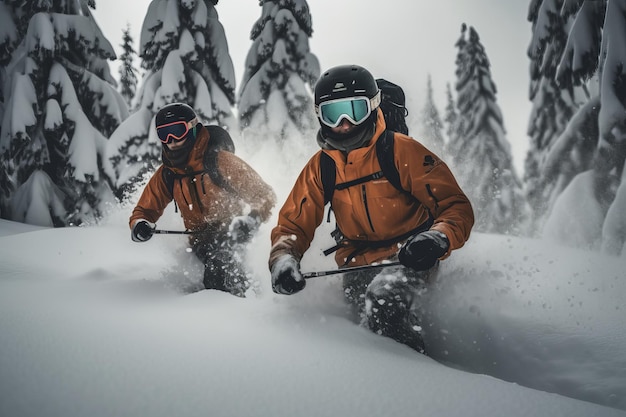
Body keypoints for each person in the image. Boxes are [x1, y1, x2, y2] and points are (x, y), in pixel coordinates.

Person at [268, 65, 474, 352]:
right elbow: (293, 224)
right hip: (356, 262)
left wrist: (437, 237)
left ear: (373, 108)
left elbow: (454, 206)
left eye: (354, 110)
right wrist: (283, 259)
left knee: (384, 303)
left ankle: (418, 381)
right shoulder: (323, 166)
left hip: (411, 254)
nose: (343, 123)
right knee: (363, 331)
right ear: (320, 116)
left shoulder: (400, 150)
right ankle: (372, 380)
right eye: (332, 113)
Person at [130, 102, 276, 296]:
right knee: (213, 268)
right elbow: (143, 211)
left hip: (234, 233)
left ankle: (244, 307)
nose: (171, 140)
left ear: (192, 128)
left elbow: (265, 195)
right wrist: (140, 225)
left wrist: (253, 220)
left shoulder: (219, 161)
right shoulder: (168, 174)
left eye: (177, 131)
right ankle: (210, 307)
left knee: (221, 267)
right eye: (164, 134)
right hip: (201, 241)